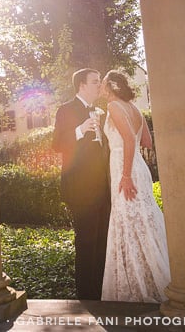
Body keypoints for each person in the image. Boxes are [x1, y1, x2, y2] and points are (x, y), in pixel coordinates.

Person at [100, 70, 171, 303]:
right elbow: (147, 142)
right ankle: (156, 275)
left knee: (128, 220)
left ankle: (140, 286)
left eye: (103, 85)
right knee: (143, 218)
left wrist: (127, 175)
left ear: (111, 87)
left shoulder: (113, 107)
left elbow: (130, 140)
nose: (101, 89)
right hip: (139, 167)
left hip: (126, 168)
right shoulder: (135, 109)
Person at [51, 68, 111, 300]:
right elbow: (56, 145)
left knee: (102, 241)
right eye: (95, 82)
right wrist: (79, 130)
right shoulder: (65, 110)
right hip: (79, 189)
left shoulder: (102, 112)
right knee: (85, 242)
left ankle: (102, 292)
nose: (99, 86)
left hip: (103, 188)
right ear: (82, 85)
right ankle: (87, 297)